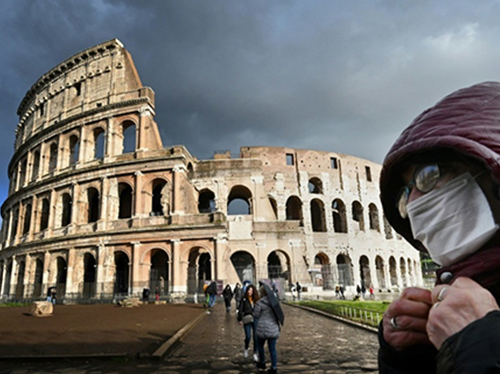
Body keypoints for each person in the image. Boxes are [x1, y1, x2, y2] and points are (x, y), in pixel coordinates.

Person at [378, 82, 500, 373]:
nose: (415, 203)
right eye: (404, 196)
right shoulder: (446, 307)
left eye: (429, 174)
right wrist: (406, 358)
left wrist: (480, 346)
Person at [254, 284, 282, 374]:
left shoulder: (260, 303)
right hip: (273, 328)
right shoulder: (275, 303)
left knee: (260, 347)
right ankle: (274, 367)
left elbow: (256, 315)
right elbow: (279, 314)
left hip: (262, 329)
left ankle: (262, 362)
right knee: (272, 349)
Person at [237, 284, 259, 361]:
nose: (250, 292)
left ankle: (255, 353)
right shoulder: (244, 299)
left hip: (255, 319)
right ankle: (246, 348)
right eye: (249, 290)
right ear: (247, 291)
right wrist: (239, 319)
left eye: (251, 290)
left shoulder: (256, 299)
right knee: (248, 336)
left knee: (256, 337)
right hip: (247, 318)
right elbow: (240, 309)